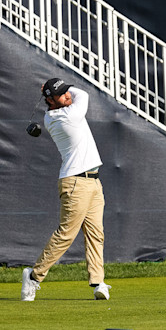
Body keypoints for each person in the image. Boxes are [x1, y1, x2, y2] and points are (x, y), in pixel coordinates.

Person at [21, 78, 110, 301]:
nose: (67, 95)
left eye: (66, 91)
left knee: (95, 234)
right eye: (62, 94)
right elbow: (84, 94)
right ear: (51, 100)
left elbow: (74, 95)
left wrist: (55, 89)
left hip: (93, 181)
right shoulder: (66, 116)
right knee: (66, 236)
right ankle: (33, 277)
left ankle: (98, 282)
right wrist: (60, 88)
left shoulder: (60, 111)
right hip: (75, 183)